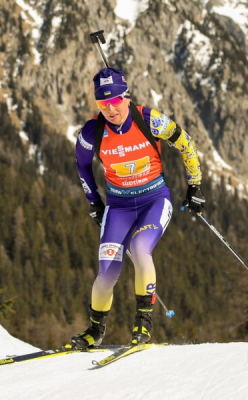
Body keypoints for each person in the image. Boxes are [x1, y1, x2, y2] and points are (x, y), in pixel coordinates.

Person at [72, 67, 205, 348]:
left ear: (126, 97)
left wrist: (195, 184)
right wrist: (94, 202)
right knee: (107, 272)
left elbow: (185, 142)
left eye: (116, 100)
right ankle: (95, 331)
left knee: (139, 248)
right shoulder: (91, 132)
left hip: (154, 199)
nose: (111, 109)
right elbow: (82, 166)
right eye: (103, 103)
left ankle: (143, 325)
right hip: (118, 206)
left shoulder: (149, 120)